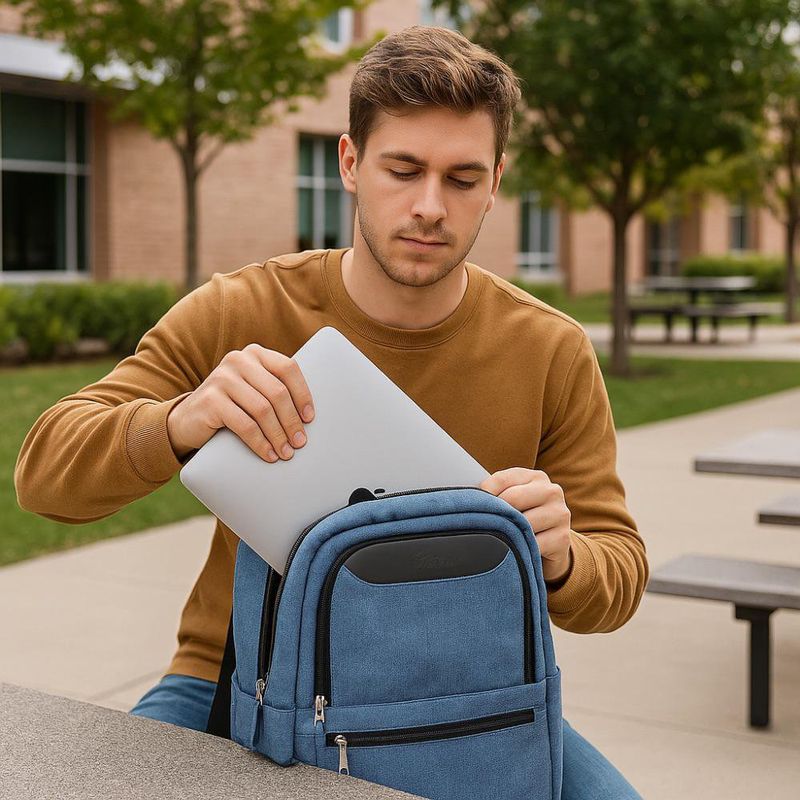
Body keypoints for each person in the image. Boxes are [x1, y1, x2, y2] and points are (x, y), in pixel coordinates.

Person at [14, 25, 648, 799]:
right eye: (403, 169)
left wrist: (563, 554)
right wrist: (182, 421)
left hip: (467, 696)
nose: (428, 207)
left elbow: (618, 571)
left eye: (461, 178)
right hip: (236, 676)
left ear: (495, 182)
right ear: (349, 163)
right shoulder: (241, 307)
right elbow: (44, 476)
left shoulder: (550, 349)